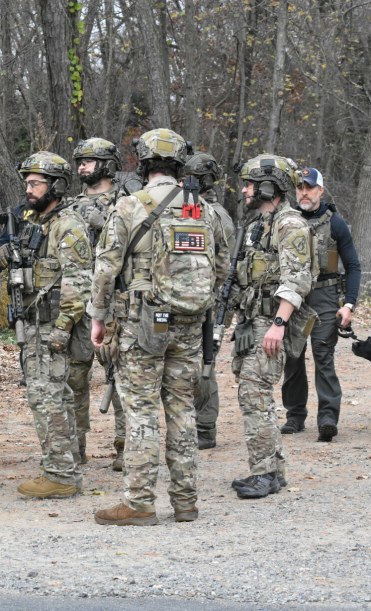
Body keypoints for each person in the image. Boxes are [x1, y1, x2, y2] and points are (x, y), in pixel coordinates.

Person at [90, 129, 229, 525]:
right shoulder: (203, 209)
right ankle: (186, 502)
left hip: (142, 324)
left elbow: (105, 269)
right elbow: (220, 269)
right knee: (182, 410)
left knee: (142, 411)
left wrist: (98, 317)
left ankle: (139, 502)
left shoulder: (130, 206)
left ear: (143, 162)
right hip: (189, 322)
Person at [4, 151, 90, 499]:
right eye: (27, 183)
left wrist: (63, 328)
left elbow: (79, 280)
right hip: (35, 325)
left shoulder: (68, 225)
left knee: (49, 398)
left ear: (55, 186)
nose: (29, 189)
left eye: (36, 183)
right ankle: (63, 466)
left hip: (52, 327)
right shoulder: (34, 223)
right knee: (53, 397)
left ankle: (59, 474)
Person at [229, 154, 314, 499]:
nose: (245, 190)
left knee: (254, 394)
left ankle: (263, 472)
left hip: (271, 321)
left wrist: (278, 323)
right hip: (253, 319)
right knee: (257, 396)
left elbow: (298, 278)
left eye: (250, 184)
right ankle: (273, 470)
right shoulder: (257, 226)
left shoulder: (290, 224)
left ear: (269, 186)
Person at [281, 168, 361, 442]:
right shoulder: (286, 221)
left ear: (320, 191)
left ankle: (328, 418)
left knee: (323, 355)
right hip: (292, 295)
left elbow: (352, 266)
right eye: (300, 187)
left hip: (325, 295)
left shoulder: (335, 224)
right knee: (292, 355)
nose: (303, 192)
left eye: (309, 187)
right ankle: (295, 416)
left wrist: (349, 304)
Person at [66, 138, 127, 470]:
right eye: (80, 161)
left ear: (106, 164)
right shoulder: (71, 206)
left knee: (119, 377)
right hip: (77, 302)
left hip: (114, 304)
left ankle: (124, 445)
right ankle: (76, 447)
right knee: (74, 378)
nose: (82, 167)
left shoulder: (126, 203)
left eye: (89, 161)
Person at [184, 153, 235, 451]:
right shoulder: (190, 208)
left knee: (204, 364)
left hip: (210, 300)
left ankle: (205, 426)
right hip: (190, 296)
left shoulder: (215, 214)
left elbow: (223, 263)